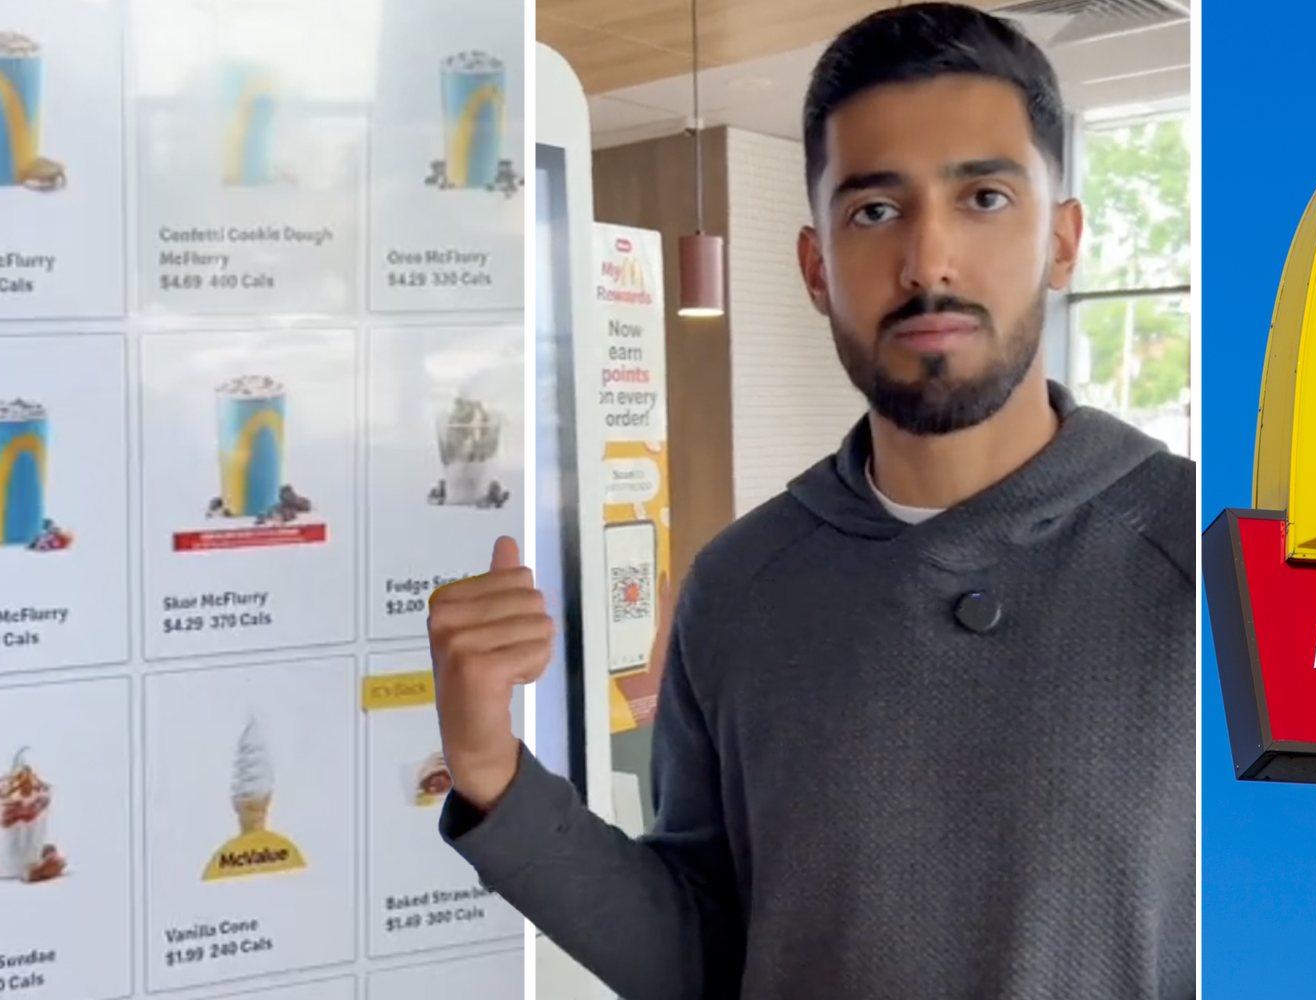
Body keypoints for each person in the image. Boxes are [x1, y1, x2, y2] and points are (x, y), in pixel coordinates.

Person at [426, 4, 1195, 998]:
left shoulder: (1204, 561)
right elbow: (704, 952)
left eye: (983, 198)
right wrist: (490, 766)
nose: (927, 261)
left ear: (1061, 239)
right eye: (874, 210)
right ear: (814, 267)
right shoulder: (741, 586)